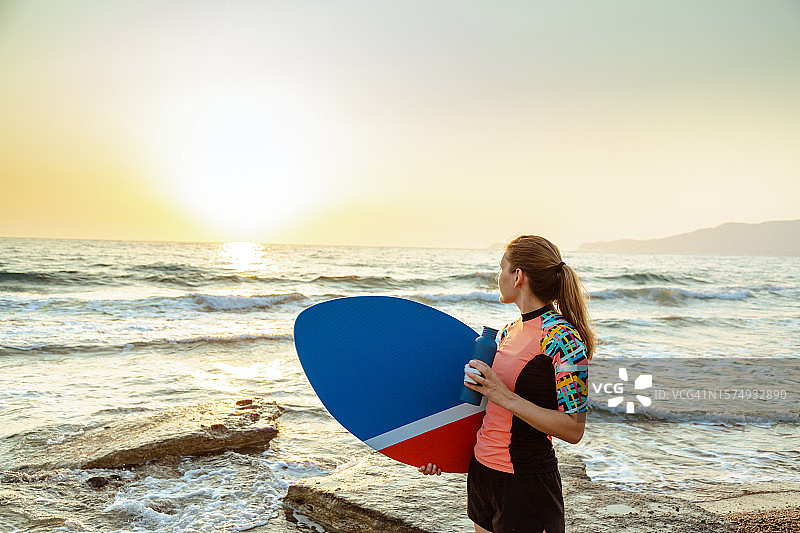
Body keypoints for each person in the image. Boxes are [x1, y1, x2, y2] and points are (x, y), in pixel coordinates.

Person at [419, 235, 595, 533]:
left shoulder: (564, 340)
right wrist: (439, 452)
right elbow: (488, 410)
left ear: (517, 276)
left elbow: (573, 428)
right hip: (483, 473)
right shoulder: (507, 332)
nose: (496, 276)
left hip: (525, 483)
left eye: (501, 268)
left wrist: (505, 395)